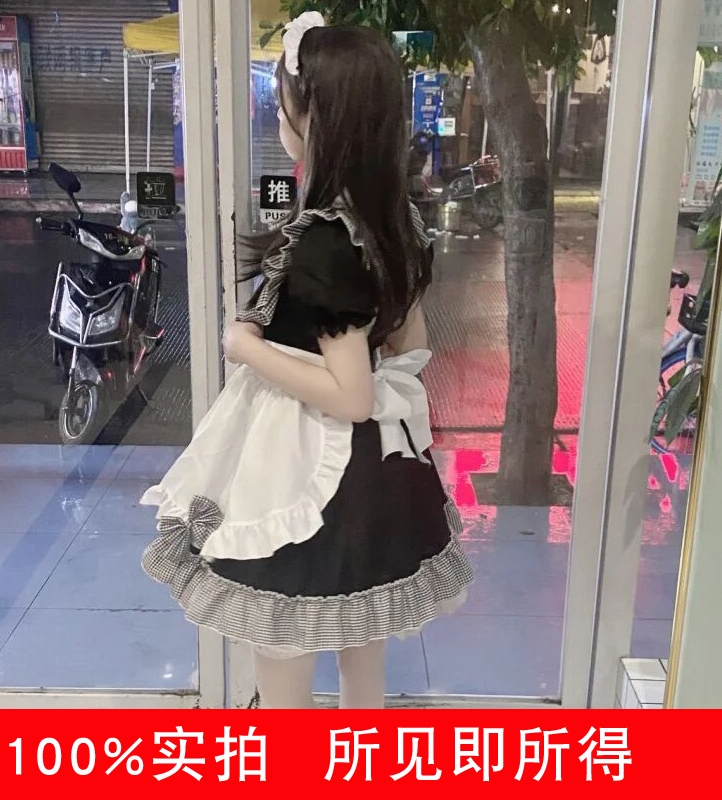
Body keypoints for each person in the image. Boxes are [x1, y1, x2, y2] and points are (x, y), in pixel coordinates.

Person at [140, 11, 473, 709]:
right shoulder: (396, 220)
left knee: (284, 659)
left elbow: (350, 394)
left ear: (318, 119)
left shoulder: (328, 238)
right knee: (363, 657)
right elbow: (409, 347)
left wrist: (247, 348)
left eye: (285, 103)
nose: (280, 117)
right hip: (378, 471)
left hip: (310, 474)